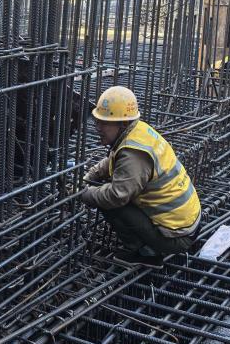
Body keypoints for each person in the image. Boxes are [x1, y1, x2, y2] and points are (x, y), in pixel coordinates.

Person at [78, 86, 201, 269]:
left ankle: (147, 254)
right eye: (97, 122)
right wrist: (89, 178)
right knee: (108, 189)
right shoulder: (138, 131)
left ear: (123, 124)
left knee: (111, 202)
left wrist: (83, 194)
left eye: (104, 123)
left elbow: (116, 196)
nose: (98, 128)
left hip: (177, 237)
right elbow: (112, 160)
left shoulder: (133, 155)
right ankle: (148, 243)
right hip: (186, 224)